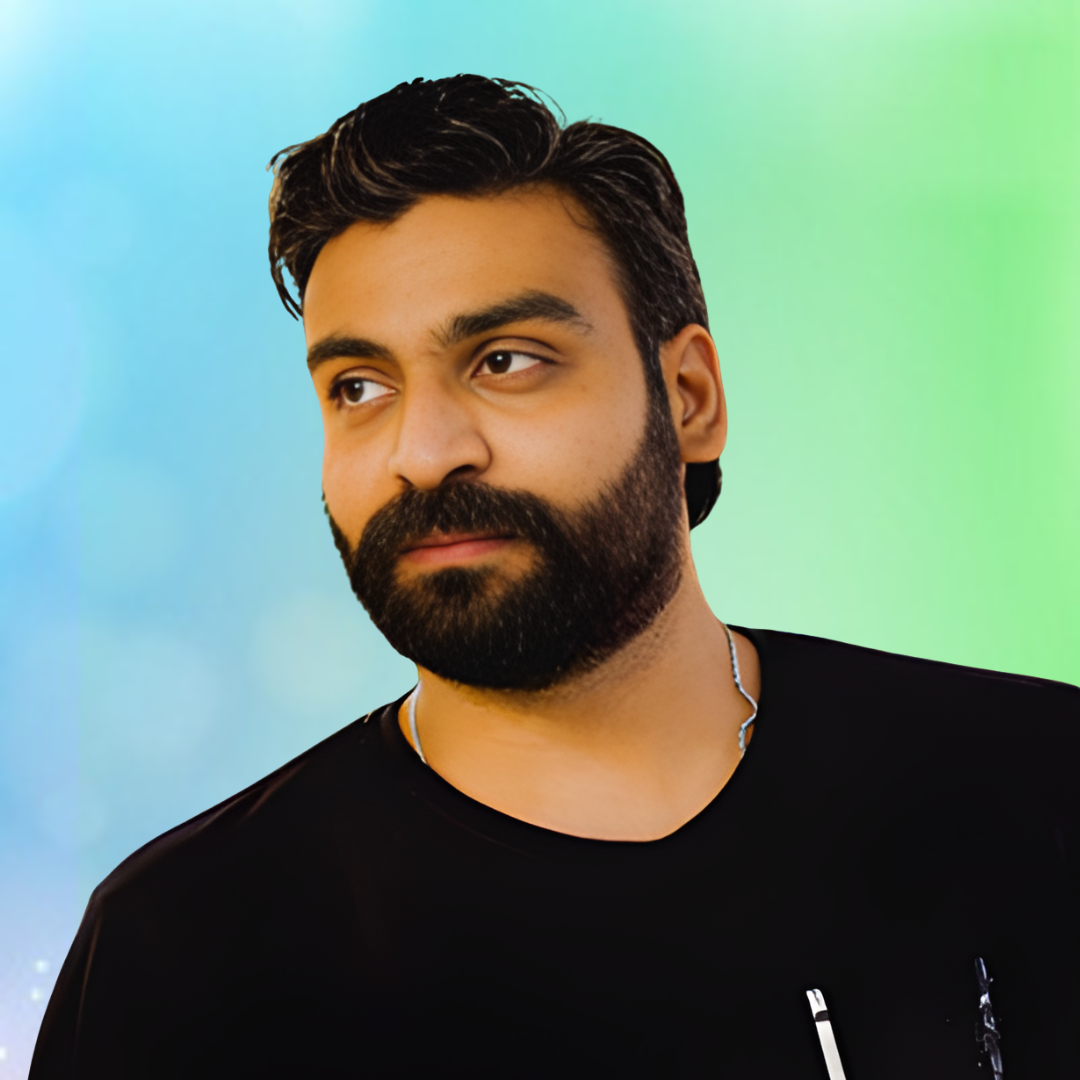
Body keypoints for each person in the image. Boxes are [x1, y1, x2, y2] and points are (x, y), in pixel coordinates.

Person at [31, 75, 1079, 1079]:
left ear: (689, 398)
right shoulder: (189, 953)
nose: (422, 452)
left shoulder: (1034, 785)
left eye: (505, 360)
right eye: (359, 386)